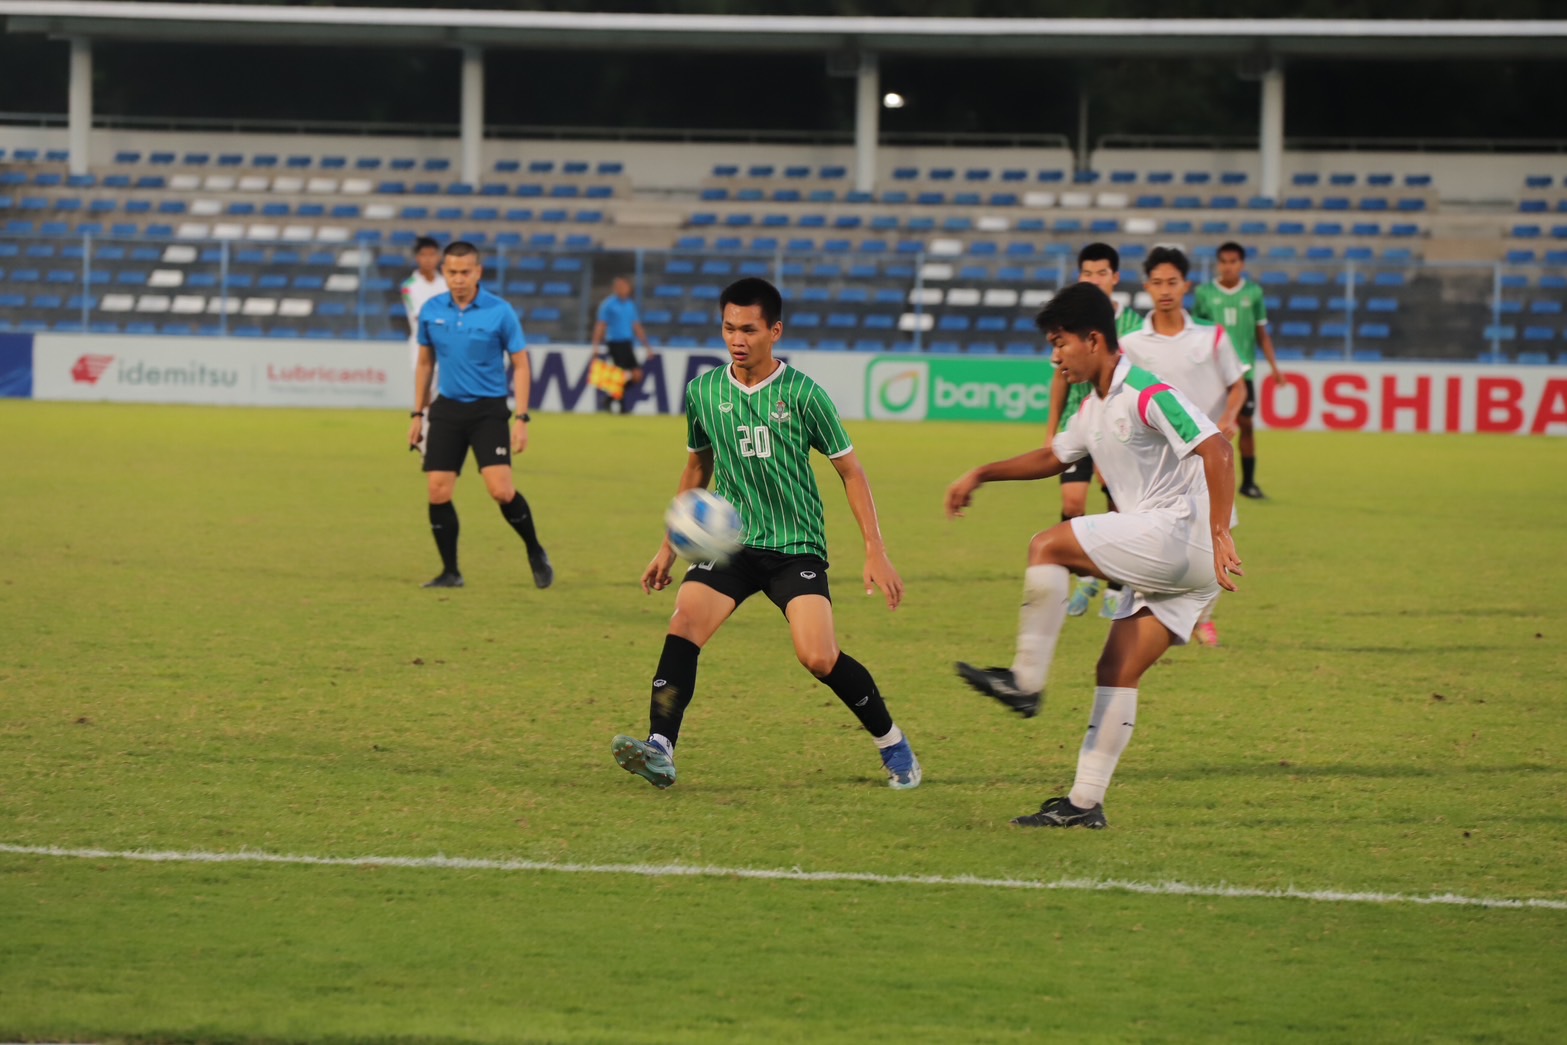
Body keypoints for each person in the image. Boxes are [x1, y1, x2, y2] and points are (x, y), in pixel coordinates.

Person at [945, 282, 1241, 829]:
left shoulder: (1146, 392)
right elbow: (1052, 457)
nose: (1055, 358)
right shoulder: (1093, 408)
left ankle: (1025, 681)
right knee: (1116, 668)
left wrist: (1220, 530)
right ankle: (1084, 804)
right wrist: (982, 473)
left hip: (1183, 537)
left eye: (1060, 344)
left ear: (1094, 340)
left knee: (1047, 545)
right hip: (1186, 558)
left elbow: (1217, 448)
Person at [611, 277, 920, 791]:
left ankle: (892, 743)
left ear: (775, 331)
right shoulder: (704, 392)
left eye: (749, 329)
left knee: (818, 656)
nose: (737, 339)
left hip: (794, 546)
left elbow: (851, 472)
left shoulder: (803, 395)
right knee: (684, 624)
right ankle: (660, 746)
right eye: (729, 328)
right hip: (729, 543)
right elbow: (697, 468)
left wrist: (875, 549)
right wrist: (668, 546)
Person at [408, 241, 553, 591]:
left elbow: (521, 365)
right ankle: (450, 572)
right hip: (447, 408)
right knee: (438, 491)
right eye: (452, 272)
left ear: (478, 272)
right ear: (444, 273)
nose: (458, 279)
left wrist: (522, 419)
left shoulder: (500, 311)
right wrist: (417, 414)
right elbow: (425, 363)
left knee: (501, 491)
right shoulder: (431, 310)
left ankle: (534, 550)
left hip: (488, 410)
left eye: (465, 272)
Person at [1121, 246, 1246, 647]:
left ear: (1186, 286)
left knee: (1218, 535)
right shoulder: (1131, 343)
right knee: (1156, 538)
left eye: (1172, 282)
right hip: (1157, 461)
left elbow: (1238, 386)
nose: (1165, 290)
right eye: (1157, 283)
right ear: (1146, 287)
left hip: (1209, 454)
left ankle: (1202, 618)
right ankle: (1153, 615)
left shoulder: (1212, 336)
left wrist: (1229, 417)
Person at [1044, 243, 1146, 620]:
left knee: (1118, 508)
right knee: (1072, 504)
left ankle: (1116, 587)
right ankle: (1086, 576)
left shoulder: (1134, 326)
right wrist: (1051, 431)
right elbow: (1060, 377)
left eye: (1101, 273)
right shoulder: (1068, 320)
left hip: (1118, 428)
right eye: (1087, 273)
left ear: (1115, 277)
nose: (1094, 279)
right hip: (1077, 426)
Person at [1192, 242, 1284, 500]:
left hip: (1243, 372)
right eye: (1223, 262)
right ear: (1218, 264)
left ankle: (1248, 483)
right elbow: (1196, 333)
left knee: (1246, 425)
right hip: (1212, 372)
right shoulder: (1204, 293)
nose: (1228, 267)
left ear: (1241, 264)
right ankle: (1199, 484)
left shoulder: (1253, 293)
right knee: (1205, 427)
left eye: (1233, 262)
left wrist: (1275, 367)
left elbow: (1261, 333)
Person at [402, 237, 447, 454]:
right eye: (424, 255)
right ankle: (424, 439)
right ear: (417, 258)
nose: (428, 259)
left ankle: (437, 439)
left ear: (439, 257)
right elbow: (422, 316)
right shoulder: (410, 286)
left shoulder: (447, 282)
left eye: (432, 254)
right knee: (425, 393)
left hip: (447, 346)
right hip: (422, 347)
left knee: (444, 396)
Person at [590, 276, 656, 414]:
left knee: (637, 375)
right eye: (618, 286)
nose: (621, 289)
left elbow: (636, 326)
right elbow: (600, 326)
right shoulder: (608, 305)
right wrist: (595, 345)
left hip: (627, 343)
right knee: (621, 374)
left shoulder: (630, 305)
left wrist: (647, 347)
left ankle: (610, 398)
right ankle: (622, 407)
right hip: (615, 343)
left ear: (628, 288)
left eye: (623, 286)